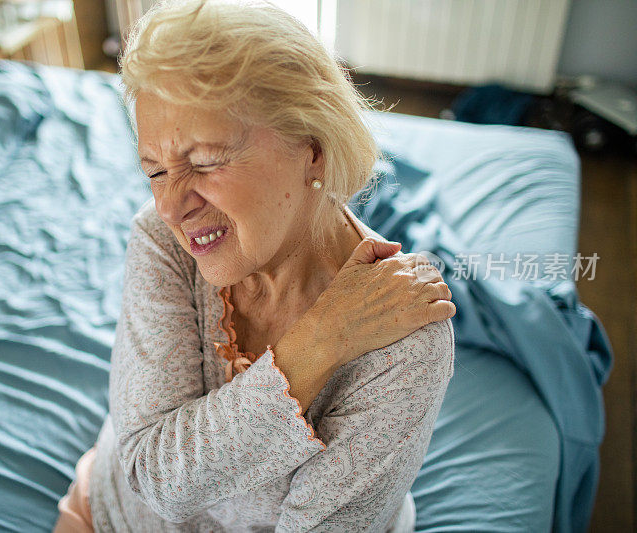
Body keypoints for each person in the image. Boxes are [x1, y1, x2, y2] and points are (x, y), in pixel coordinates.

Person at [54, 0, 456, 531]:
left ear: (312, 149)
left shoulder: (407, 343)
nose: (172, 206)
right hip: (113, 514)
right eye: (154, 171)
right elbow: (151, 476)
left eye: (204, 161)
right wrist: (319, 341)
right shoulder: (162, 239)